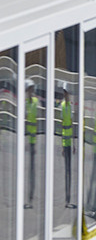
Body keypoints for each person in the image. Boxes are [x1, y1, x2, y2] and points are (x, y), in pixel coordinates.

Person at [59, 87, 76, 208]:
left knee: (70, 171)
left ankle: (69, 197)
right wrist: (63, 145)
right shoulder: (63, 106)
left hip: (70, 142)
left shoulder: (70, 106)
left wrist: (74, 144)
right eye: (65, 94)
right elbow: (62, 126)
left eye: (68, 93)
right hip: (66, 142)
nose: (66, 95)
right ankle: (67, 198)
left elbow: (73, 125)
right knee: (67, 171)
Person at [24, 80, 39, 209]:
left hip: (34, 141)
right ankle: (25, 197)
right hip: (26, 141)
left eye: (32, 89)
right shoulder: (24, 104)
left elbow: (38, 121)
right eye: (30, 89)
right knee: (25, 169)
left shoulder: (35, 103)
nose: (31, 91)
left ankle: (31, 197)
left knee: (32, 170)